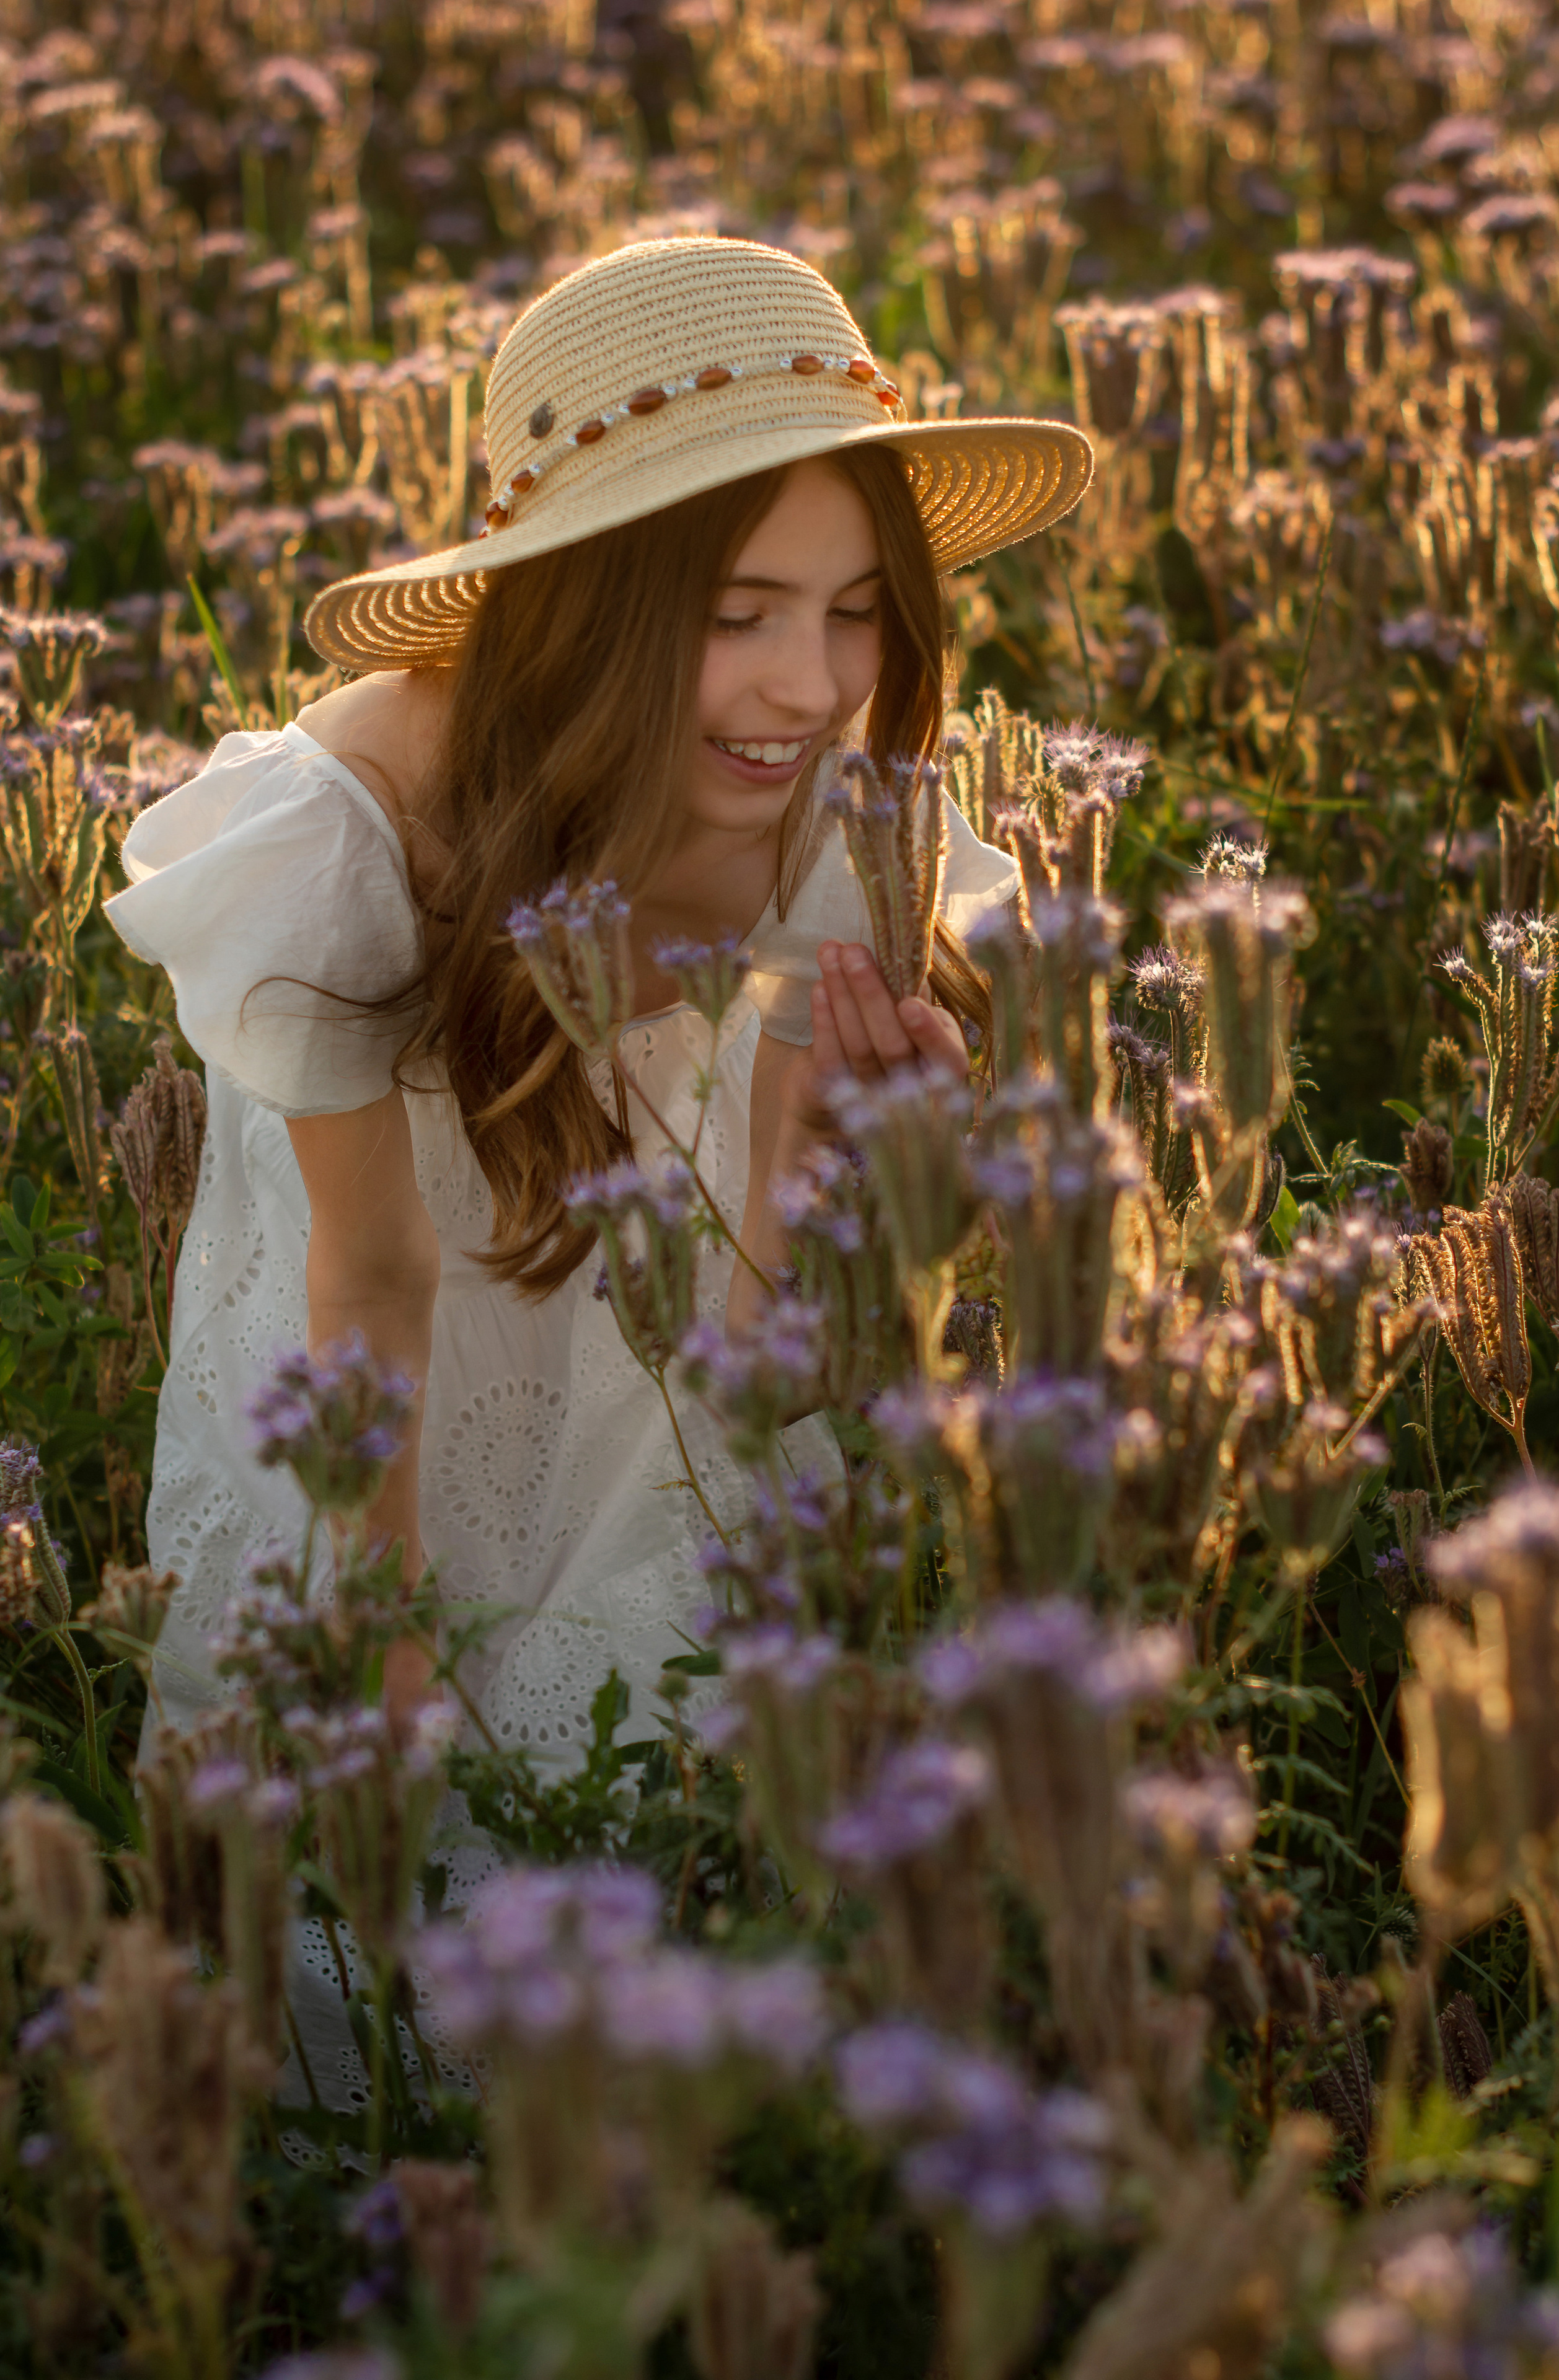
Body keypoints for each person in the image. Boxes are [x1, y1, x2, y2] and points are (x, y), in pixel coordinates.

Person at [105, 236, 1092, 1773]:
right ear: (586, 610)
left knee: (699, 1814)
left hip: (675, 1382)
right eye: (735, 611)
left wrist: (857, 1179)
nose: (809, 684)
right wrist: (390, 1674)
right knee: (373, 1868)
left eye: (852, 608)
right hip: (375, 1390)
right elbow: (370, 1282)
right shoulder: (354, 838)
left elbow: (762, 1338)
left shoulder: (831, 821)